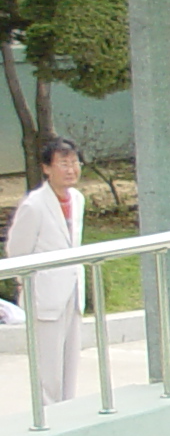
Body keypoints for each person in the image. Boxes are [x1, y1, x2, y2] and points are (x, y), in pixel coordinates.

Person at [6, 135, 84, 404]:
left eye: (74, 163)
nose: (71, 169)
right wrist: (26, 284)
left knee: (70, 363)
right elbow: (17, 251)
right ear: (47, 168)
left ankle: (67, 414)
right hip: (45, 295)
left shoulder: (77, 198)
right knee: (48, 368)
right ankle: (48, 418)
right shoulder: (34, 205)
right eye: (63, 163)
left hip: (73, 293)